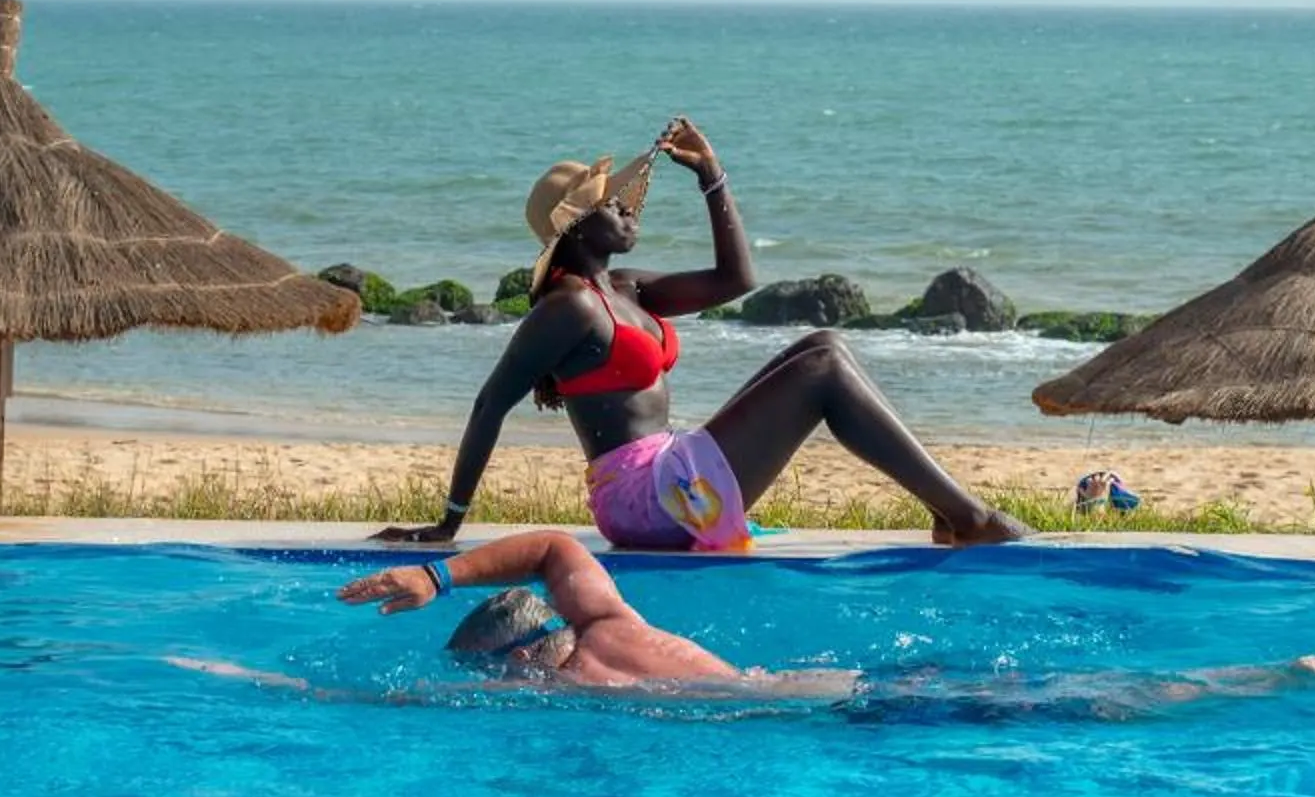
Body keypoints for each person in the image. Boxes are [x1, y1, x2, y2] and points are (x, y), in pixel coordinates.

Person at [372, 119, 1028, 554]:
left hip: (671, 475)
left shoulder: (624, 288)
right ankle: (969, 518)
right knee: (824, 364)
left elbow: (735, 277)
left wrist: (711, 175)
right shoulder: (566, 309)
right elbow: (492, 403)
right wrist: (449, 522)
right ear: (576, 227)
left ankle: (948, 513)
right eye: (613, 202)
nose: (629, 205)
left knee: (821, 345)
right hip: (643, 498)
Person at [169, 531, 1315, 711]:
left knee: (1092, 709)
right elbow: (557, 545)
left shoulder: (582, 673)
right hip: (829, 680)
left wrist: (247, 675)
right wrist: (440, 577)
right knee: (1059, 693)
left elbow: (387, 713)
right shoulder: (601, 624)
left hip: (845, 713)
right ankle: (1269, 668)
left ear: (520, 658)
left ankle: (1277, 671)